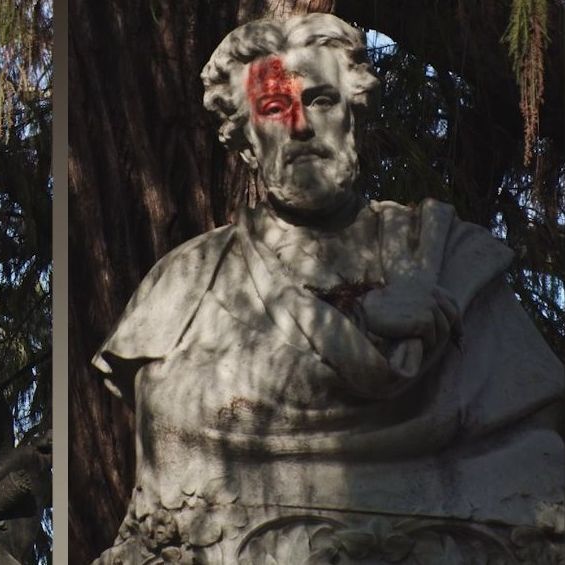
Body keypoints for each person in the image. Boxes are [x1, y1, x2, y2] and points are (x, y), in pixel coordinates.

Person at [93, 13, 563, 564]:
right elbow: (173, 427)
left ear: (353, 113)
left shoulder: (447, 259)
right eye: (274, 108)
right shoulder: (186, 282)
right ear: (246, 140)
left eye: (319, 101)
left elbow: (532, 422)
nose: (300, 126)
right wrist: (362, 322)